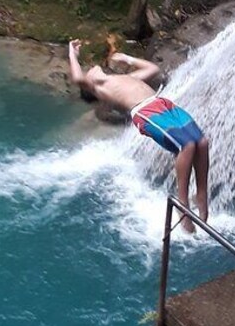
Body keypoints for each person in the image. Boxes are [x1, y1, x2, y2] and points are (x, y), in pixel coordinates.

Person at [67, 39, 209, 232]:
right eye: (88, 70)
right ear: (90, 86)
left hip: (162, 104)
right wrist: (72, 54)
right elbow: (77, 77)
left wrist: (128, 58)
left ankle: (201, 194)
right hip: (145, 112)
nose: (91, 68)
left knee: (201, 142)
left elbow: (153, 68)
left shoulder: (126, 78)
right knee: (187, 146)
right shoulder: (99, 86)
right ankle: (182, 203)